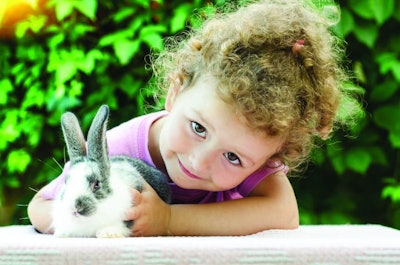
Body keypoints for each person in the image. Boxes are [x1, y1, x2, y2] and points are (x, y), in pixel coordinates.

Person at [28, 0, 350, 236]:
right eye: (198, 128)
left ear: (268, 158)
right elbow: (40, 207)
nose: (199, 162)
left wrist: (169, 220)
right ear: (176, 91)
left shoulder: (259, 156)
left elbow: (284, 213)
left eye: (233, 157)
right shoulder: (114, 151)